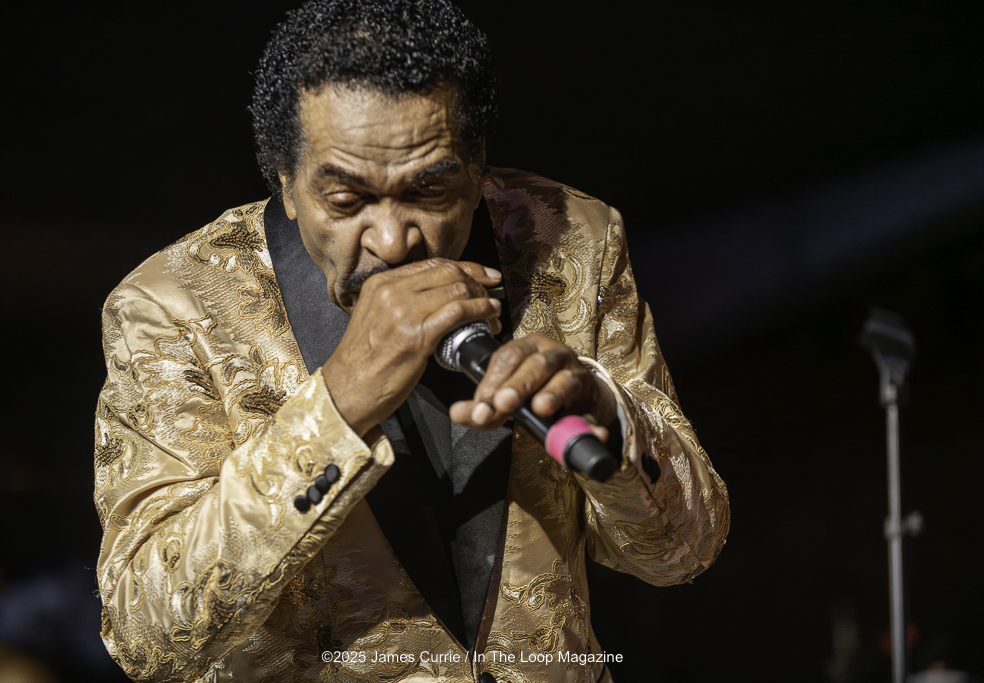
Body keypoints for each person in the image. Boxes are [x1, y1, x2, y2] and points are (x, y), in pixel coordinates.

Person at [92, 1, 729, 681]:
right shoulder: (172, 305)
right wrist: (338, 405)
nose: (394, 240)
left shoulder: (571, 237)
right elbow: (147, 639)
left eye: (430, 190)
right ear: (286, 178)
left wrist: (608, 417)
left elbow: (682, 554)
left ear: (478, 167)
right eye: (347, 200)